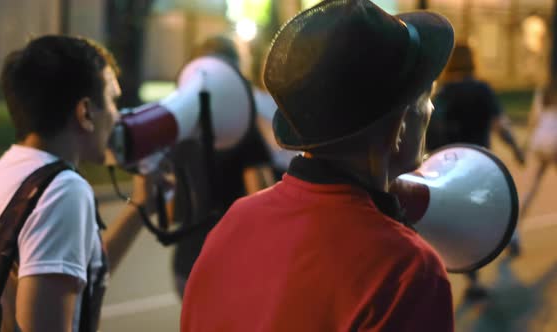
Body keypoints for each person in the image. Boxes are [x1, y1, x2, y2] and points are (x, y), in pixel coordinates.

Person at [180, 0, 456, 331]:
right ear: (398, 128)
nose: (431, 110)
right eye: (426, 97)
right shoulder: (407, 272)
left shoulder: (233, 223)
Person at [0, 35, 162, 332]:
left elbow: (70, 268)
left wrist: (140, 204)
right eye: (112, 100)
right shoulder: (61, 189)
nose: (118, 116)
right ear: (85, 112)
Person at [171, 35, 274, 297]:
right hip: (230, 262)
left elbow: (173, 208)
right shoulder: (240, 127)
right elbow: (260, 195)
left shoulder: (179, 126)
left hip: (185, 264)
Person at [424, 43, 525, 302]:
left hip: (449, 172)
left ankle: (473, 280)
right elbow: (500, 125)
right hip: (482, 167)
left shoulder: (442, 94)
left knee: (463, 225)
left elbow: (428, 133)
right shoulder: (481, 89)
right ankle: (510, 237)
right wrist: (515, 148)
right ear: (472, 61)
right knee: (500, 205)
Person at [519, 80, 557, 242]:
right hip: (554, 141)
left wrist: (526, 144)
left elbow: (534, 118)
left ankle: (515, 230)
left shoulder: (544, 89)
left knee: (533, 186)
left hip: (540, 141)